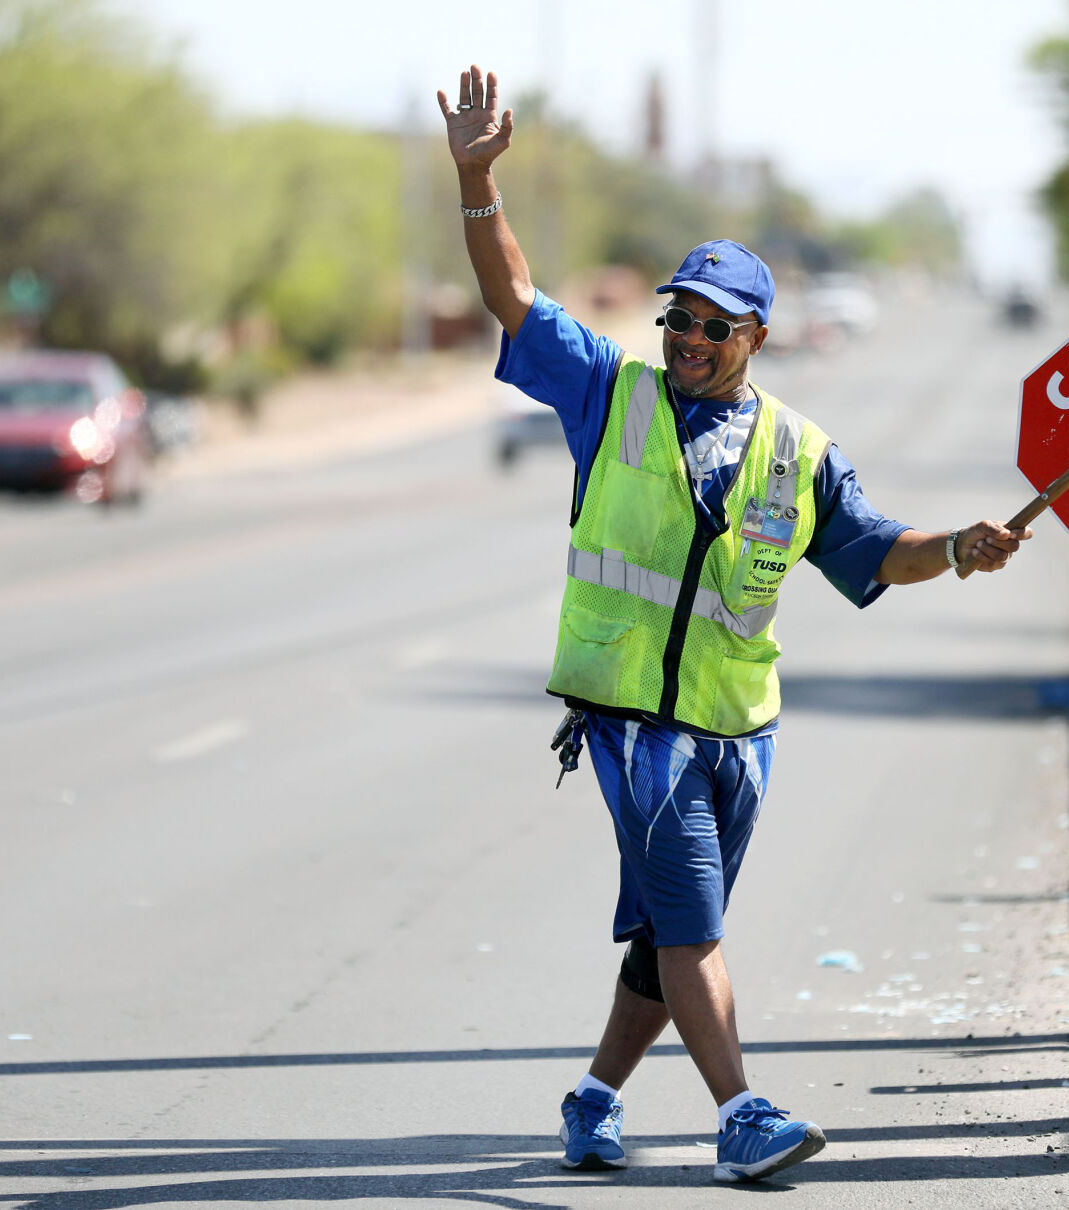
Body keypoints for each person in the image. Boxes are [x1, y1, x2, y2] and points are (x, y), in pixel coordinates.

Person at [439, 64, 1030, 1184]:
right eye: (680, 318)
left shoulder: (800, 452)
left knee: (669, 937)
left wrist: (955, 549)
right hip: (632, 723)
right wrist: (478, 183)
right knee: (695, 921)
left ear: (758, 334)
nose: (690, 337)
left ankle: (592, 1096)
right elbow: (514, 296)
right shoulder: (607, 395)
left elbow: (871, 552)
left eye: (715, 325)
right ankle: (742, 1115)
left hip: (740, 730)